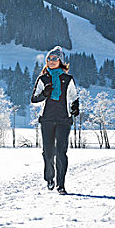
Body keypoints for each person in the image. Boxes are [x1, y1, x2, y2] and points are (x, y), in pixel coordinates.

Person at [31, 46, 79, 195]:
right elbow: (34, 99)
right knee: (48, 152)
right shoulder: (43, 79)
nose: (51, 61)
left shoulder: (68, 79)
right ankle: (49, 177)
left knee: (61, 152)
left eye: (54, 59)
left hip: (63, 120)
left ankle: (61, 185)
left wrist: (75, 107)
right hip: (47, 120)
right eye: (49, 59)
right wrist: (44, 94)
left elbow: (74, 97)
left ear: (60, 61)